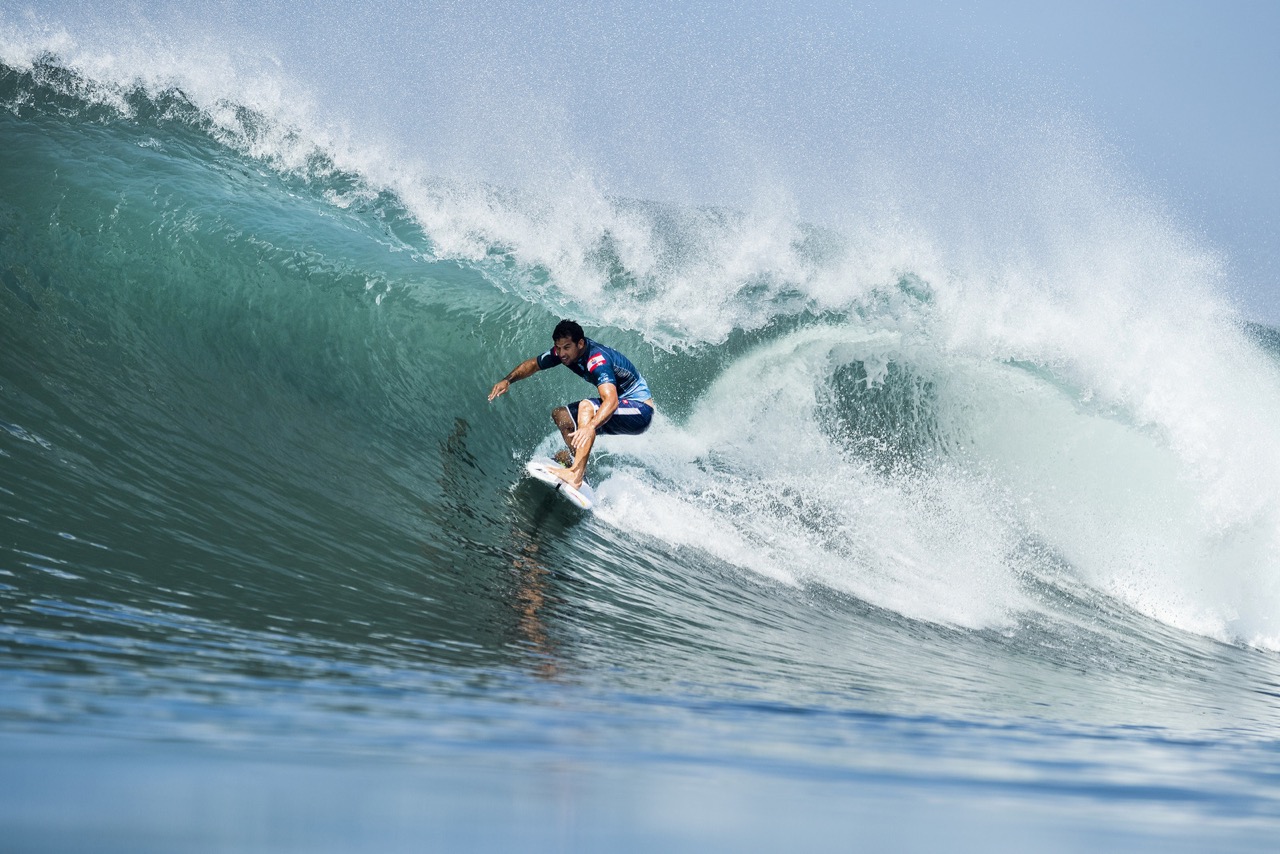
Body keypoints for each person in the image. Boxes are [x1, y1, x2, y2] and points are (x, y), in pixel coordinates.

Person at [488, 319, 655, 490]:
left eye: (567, 347)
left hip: (640, 410)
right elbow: (533, 365)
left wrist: (591, 426)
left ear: (580, 343)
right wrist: (507, 380)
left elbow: (611, 401)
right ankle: (577, 466)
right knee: (562, 415)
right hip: (621, 405)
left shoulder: (597, 361)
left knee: (586, 407)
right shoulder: (563, 353)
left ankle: (576, 473)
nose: (561, 354)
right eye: (558, 348)